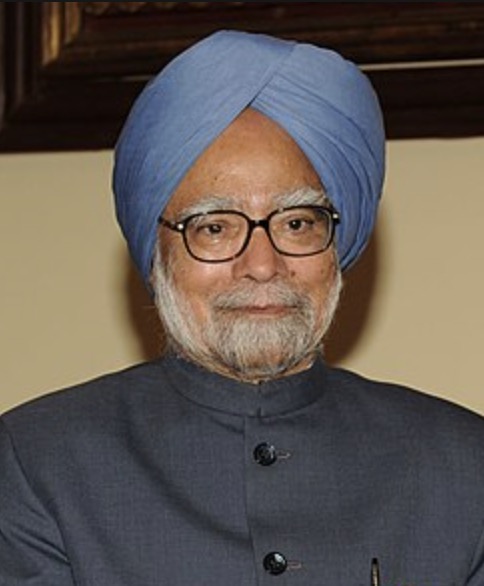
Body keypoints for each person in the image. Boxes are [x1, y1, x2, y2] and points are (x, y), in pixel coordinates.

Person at [1, 29, 483, 586]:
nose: (262, 264)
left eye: (297, 223)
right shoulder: (38, 464)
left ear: (335, 247)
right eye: (214, 227)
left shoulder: (464, 466)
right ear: (158, 253)